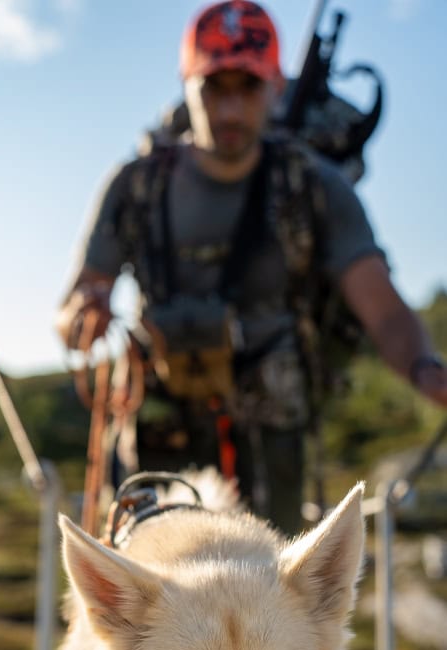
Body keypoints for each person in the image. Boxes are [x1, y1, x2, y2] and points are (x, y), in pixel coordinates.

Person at [55, 0, 447, 536]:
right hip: (157, 429)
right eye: (215, 87)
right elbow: (77, 302)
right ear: (187, 85)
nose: (232, 109)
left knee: (270, 599)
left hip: (271, 439)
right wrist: (85, 312)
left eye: (249, 87)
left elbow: (382, 308)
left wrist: (425, 369)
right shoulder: (136, 187)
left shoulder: (314, 188)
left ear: (275, 89)